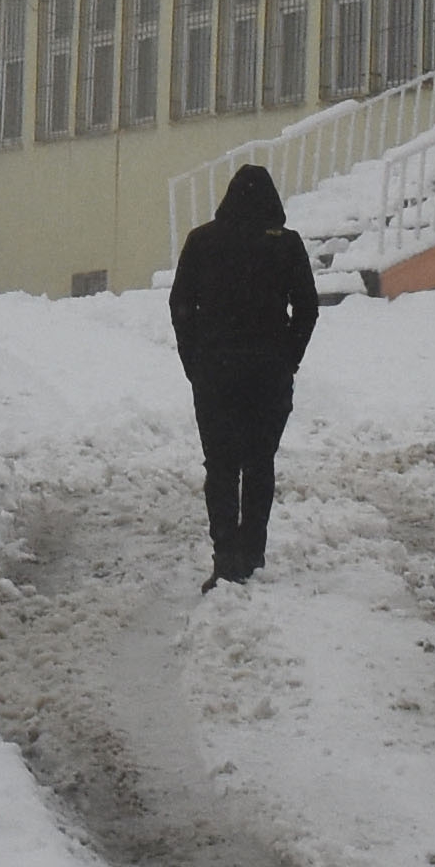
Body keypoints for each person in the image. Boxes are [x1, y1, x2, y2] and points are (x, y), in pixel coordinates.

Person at [168, 160, 320, 585]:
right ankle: (251, 554)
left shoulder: (203, 241)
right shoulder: (286, 245)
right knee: (258, 464)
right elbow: (307, 308)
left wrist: (193, 362)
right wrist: (288, 357)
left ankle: (225, 557)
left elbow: (181, 305)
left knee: (220, 466)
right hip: (268, 374)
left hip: (216, 372)